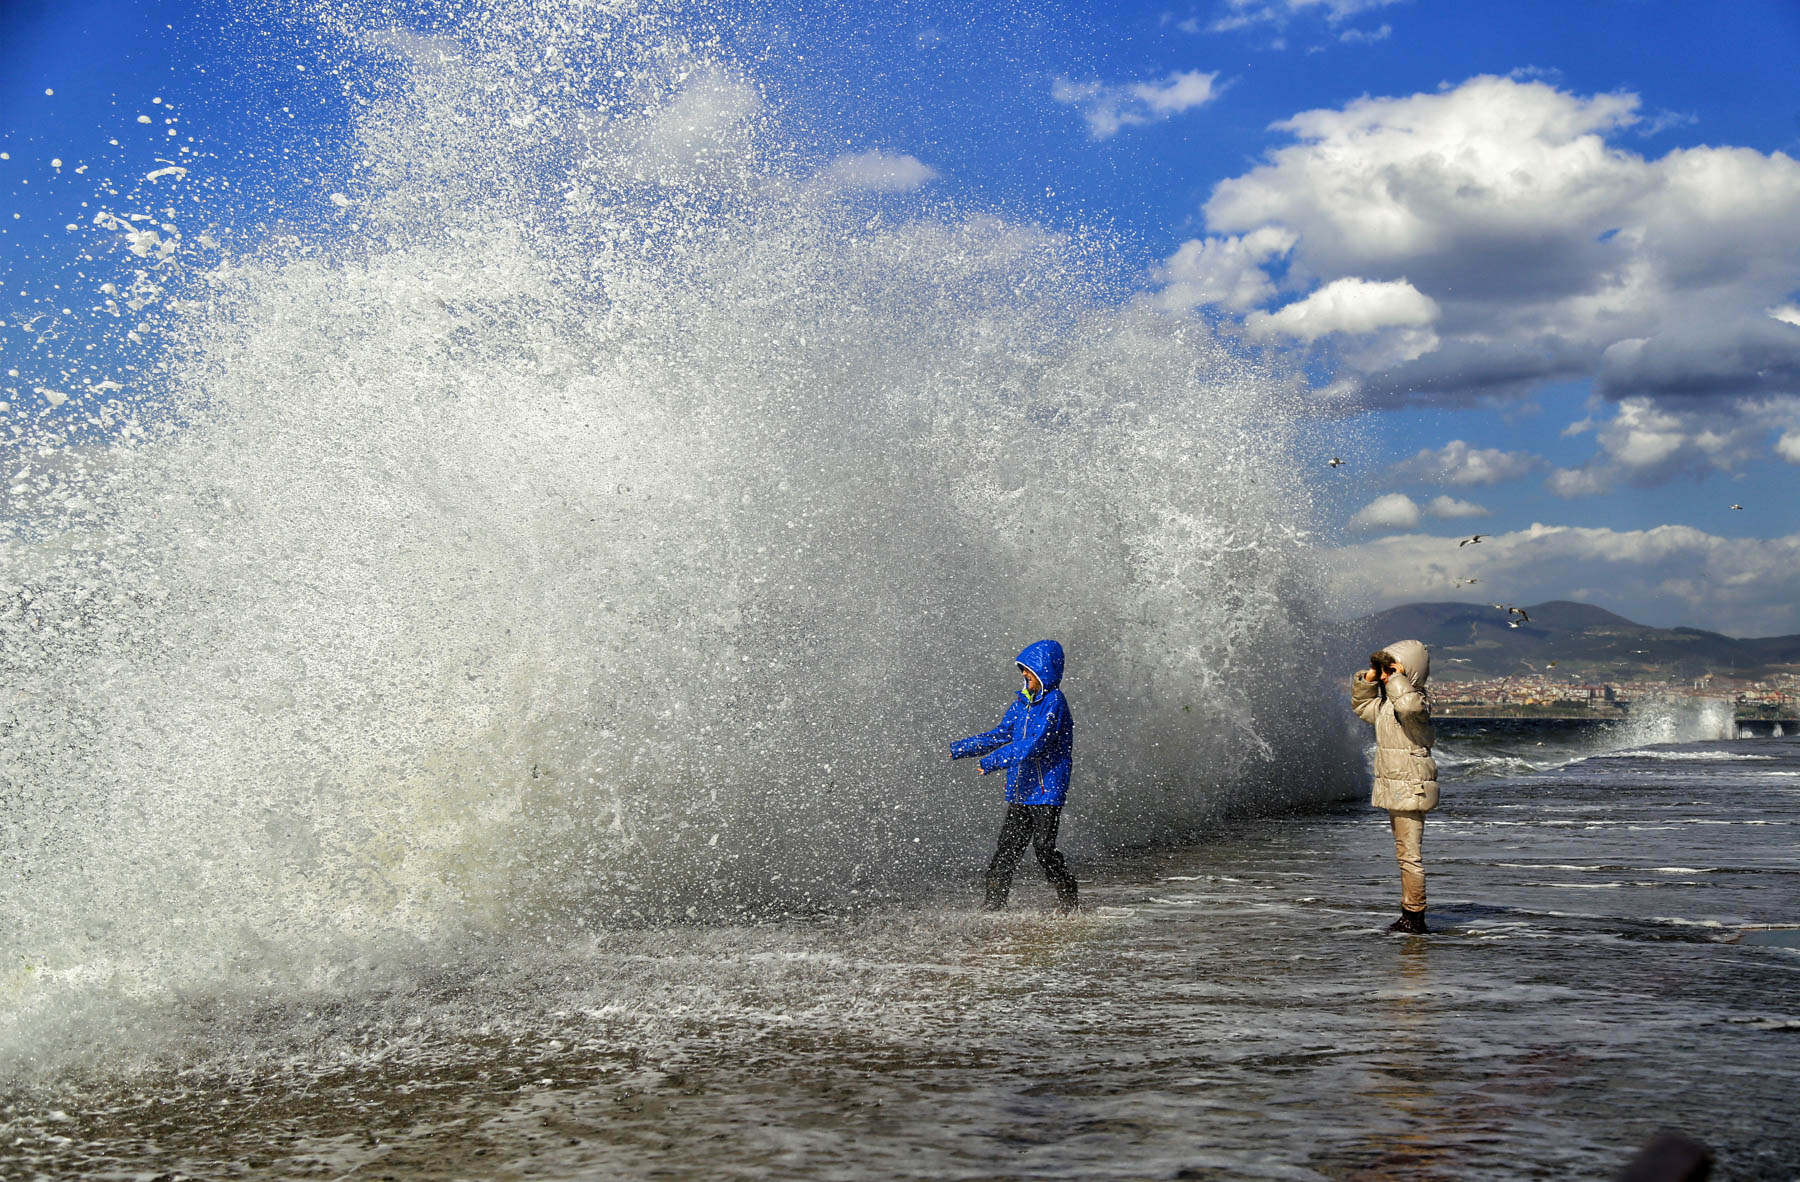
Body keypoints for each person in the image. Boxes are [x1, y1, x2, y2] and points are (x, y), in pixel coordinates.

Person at [950, 639, 1079, 913]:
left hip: (1047, 790)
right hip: (1022, 790)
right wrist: (961, 749)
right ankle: (993, 906)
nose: (1024, 675)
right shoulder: (1022, 703)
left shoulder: (1054, 702)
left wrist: (993, 761)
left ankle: (1070, 904)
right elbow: (1000, 734)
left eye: (1028, 671)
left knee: (1044, 849)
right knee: (1007, 850)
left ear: (1044, 671)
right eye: (1022, 670)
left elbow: (1036, 742)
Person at [1351, 638, 1437, 934]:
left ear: (1408, 671)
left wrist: (1398, 677)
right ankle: (1410, 913)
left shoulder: (1418, 701)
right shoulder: (1389, 706)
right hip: (1398, 786)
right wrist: (1368, 679)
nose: (1385, 676)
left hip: (1410, 787)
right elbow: (1363, 706)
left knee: (1409, 855)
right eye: (1383, 670)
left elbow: (1410, 707)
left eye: (1388, 669)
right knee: (1404, 853)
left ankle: (1414, 917)